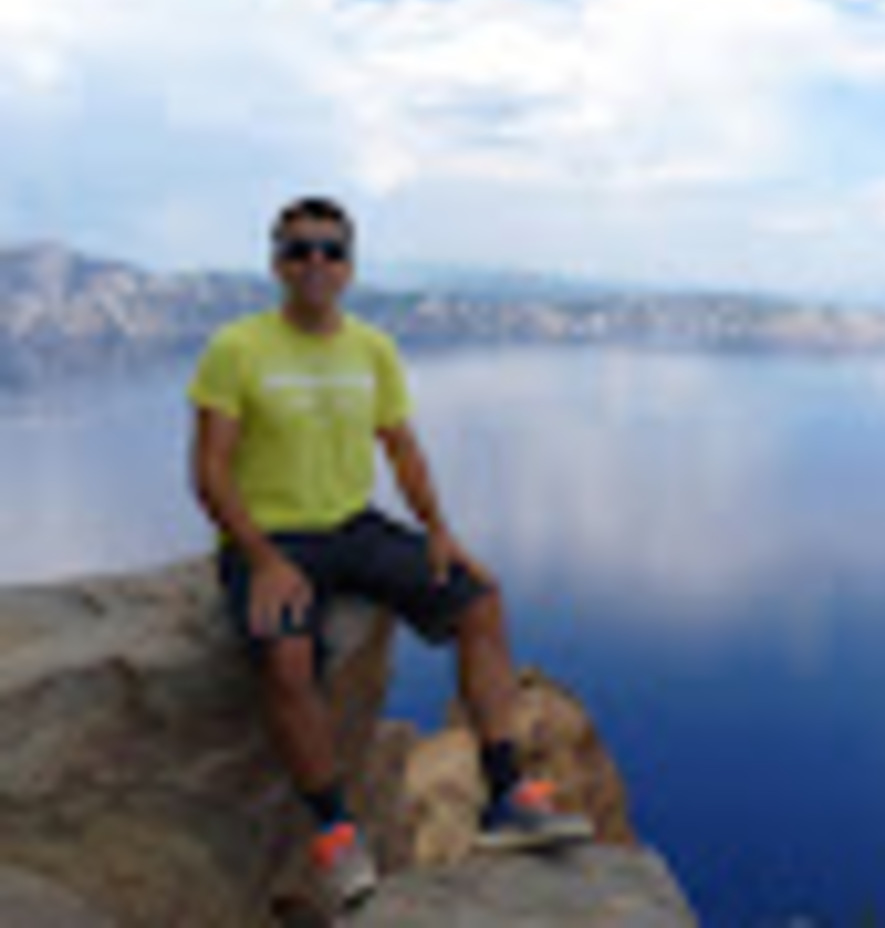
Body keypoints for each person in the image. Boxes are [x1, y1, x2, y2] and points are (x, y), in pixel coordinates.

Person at [187, 196, 593, 912]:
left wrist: (438, 530)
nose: (316, 263)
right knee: (287, 659)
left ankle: (506, 794)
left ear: (349, 266)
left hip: (354, 527)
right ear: (277, 263)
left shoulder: (370, 348)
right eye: (299, 249)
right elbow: (210, 469)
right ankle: (336, 834)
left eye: (331, 250)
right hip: (272, 537)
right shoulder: (237, 348)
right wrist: (261, 557)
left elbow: (402, 449)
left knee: (480, 603)